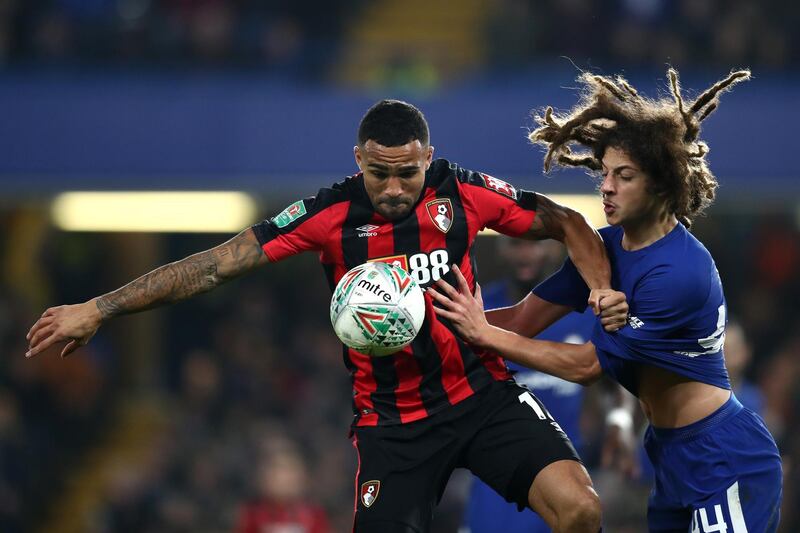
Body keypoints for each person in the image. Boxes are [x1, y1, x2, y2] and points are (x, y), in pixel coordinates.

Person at [25, 100, 628, 533]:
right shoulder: (328, 214)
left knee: (581, 510)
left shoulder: (462, 194)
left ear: (429, 159)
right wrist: (99, 307)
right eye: (379, 172)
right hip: (395, 424)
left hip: (481, 393)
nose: (393, 188)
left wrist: (600, 287)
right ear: (358, 159)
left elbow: (567, 222)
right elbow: (216, 265)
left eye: (407, 172)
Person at [429, 70, 784, 532]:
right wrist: (429, 323)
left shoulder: (680, 271)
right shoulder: (604, 249)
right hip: (670, 452)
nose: (607, 186)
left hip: (723, 454)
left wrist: (483, 333)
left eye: (625, 176)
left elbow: (587, 367)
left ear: (661, 184)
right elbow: (521, 318)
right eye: (606, 173)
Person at [463, 238, 596, 533]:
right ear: (500, 248)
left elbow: (611, 377)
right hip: (497, 477)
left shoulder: (586, 312)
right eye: (515, 244)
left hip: (567, 472)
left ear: (556, 247)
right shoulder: (476, 311)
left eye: (535, 245)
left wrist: (619, 420)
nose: (526, 253)